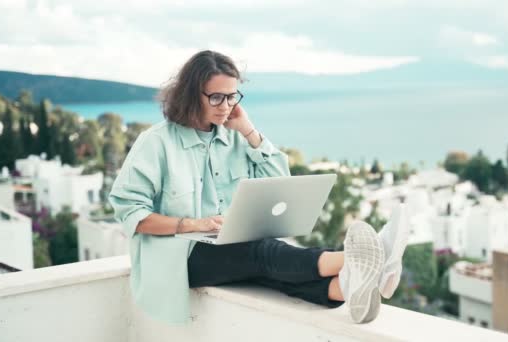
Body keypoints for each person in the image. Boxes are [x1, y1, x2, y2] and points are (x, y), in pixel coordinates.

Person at [108, 50, 410, 325]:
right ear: (191, 95)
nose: (226, 106)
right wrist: (191, 224)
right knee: (261, 253)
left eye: (232, 97)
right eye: (216, 97)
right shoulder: (157, 143)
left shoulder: (234, 138)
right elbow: (130, 213)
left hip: (227, 249)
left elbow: (280, 183)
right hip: (180, 258)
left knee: (274, 270)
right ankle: (368, 259)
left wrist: (249, 131)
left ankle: (346, 286)